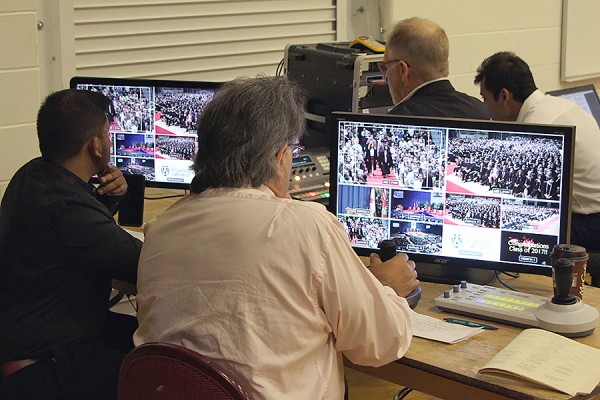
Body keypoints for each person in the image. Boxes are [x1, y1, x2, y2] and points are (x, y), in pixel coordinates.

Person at [134, 76, 418, 400]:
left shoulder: (160, 229)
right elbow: (379, 343)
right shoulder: (306, 225)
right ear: (280, 155)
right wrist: (387, 288)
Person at [0, 89, 143, 400]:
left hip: (37, 334)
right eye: (107, 134)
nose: (109, 140)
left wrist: (111, 198)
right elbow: (144, 264)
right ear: (94, 145)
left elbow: (77, 237)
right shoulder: (67, 210)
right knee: (160, 370)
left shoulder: (32, 173)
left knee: (145, 340)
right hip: (42, 365)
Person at [474, 51, 600, 252]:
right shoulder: (562, 105)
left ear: (504, 96)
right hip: (590, 212)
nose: (485, 107)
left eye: (485, 99)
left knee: (512, 226)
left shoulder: (537, 127)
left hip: (589, 222)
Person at [382, 17, 490, 119]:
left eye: (385, 67)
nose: (386, 77)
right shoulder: (482, 111)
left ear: (403, 70)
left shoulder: (395, 120)